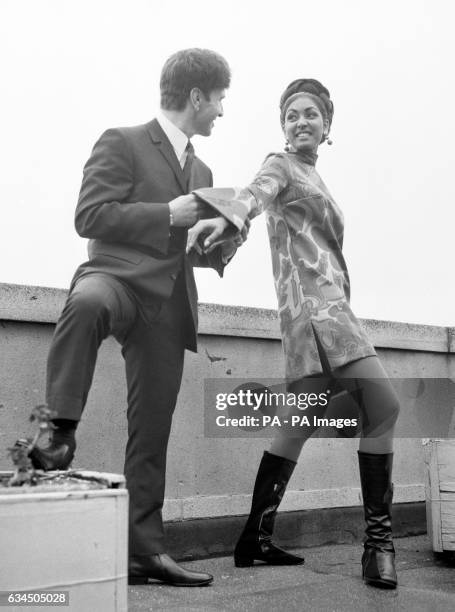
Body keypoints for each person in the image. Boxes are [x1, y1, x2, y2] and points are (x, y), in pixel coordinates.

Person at [28, 48, 245, 587]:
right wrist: (166, 213)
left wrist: (225, 240)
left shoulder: (204, 170)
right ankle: (58, 430)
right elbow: (90, 216)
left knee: (152, 432)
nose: (221, 110)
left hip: (168, 305)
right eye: (219, 99)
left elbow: (194, 250)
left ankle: (144, 551)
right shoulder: (121, 141)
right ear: (197, 96)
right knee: (86, 303)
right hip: (117, 279)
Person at [186, 78, 400, 589]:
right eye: (291, 115)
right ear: (284, 127)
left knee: (296, 423)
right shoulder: (280, 164)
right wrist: (230, 215)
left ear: (328, 126)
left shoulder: (315, 176)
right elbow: (254, 194)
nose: (300, 122)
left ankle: (253, 537)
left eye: (310, 114)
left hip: (317, 312)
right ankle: (379, 546)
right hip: (318, 312)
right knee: (383, 406)